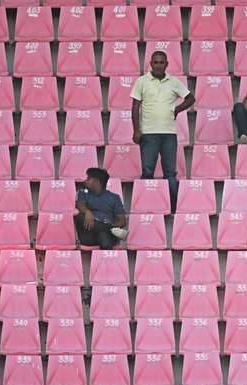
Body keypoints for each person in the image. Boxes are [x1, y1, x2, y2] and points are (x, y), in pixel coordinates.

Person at [131, 50, 194, 205]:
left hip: (169, 134)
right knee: (147, 172)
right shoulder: (142, 81)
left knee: (170, 174)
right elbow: (135, 106)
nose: (158, 65)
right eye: (156, 62)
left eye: (161, 62)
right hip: (148, 134)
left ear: (167, 64)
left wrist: (177, 109)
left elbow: (191, 98)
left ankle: (173, 207)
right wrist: (136, 130)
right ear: (151, 64)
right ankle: (146, 205)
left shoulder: (174, 81)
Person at [74, 167, 128, 250]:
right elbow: (80, 205)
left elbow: (122, 221)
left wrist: (113, 225)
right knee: (79, 216)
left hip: (108, 236)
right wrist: (88, 212)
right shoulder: (83, 193)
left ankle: (106, 230)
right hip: (89, 235)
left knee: (103, 236)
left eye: (88, 179)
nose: (85, 181)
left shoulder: (114, 198)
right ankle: (107, 228)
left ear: (97, 182)